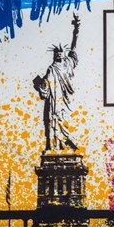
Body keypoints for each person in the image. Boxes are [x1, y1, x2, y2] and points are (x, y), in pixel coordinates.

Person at [33, 14, 81, 151]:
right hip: (54, 102)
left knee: (64, 121)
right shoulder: (51, 69)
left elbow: (74, 47)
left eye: (61, 52)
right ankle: (54, 145)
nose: (59, 54)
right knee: (51, 122)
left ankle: (65, 142)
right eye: (57, 53)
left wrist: (76, 29)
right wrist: (38, 84)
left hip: (64, 101)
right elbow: (45, 89)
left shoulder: (68, 64)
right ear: (54, 55)